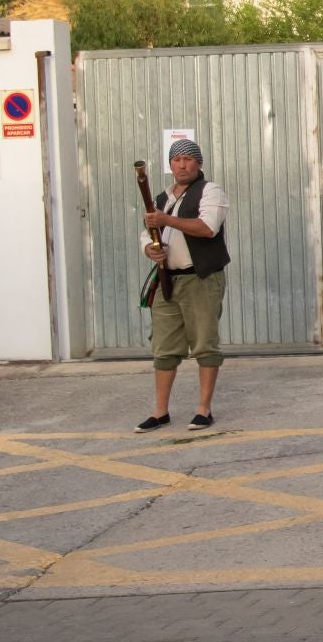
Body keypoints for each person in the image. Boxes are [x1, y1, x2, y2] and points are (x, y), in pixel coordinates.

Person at [136, 138, 230, 433]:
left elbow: (206, 227)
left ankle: (203, 409)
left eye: (189, 159)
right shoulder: (162, 198)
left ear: (199, 164)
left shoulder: (210, 191)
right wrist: (149, 250)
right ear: (170, 165)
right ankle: (160, 411)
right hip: (168, 280)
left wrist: (165, 220)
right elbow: (147, 235)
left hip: (200, 279)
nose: (182, 164)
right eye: (177, 160)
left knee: (204, 343)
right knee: (164, 348)